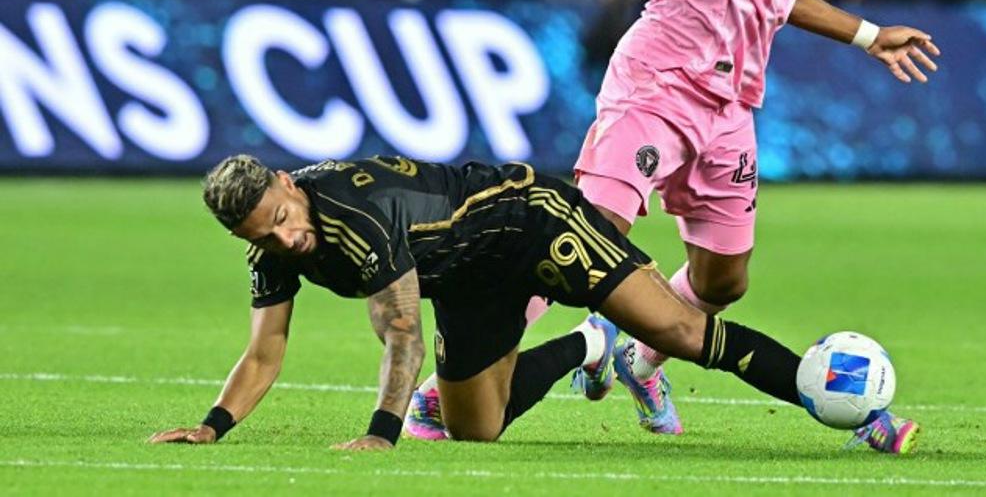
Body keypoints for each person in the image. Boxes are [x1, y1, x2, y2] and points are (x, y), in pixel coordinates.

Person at [517, 0, 937, 435]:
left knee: (722, 282)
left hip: (731, 105)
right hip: (659, 81)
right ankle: (454, 383)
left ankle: (638, 360)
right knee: (585, 238)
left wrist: (867, 34)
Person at [148, 153, 918, 454]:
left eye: (283, 218)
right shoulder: (274, 246)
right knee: (471, 427)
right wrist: (213, 426)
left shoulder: (351, 214)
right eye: (265, 236)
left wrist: (382, 431)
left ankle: (829, 396)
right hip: (470, 275)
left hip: (530, 219)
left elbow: (402, 331)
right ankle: (589, 348)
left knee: (678, 327)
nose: (288, 240)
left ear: (288, 183)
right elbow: (265, 349)